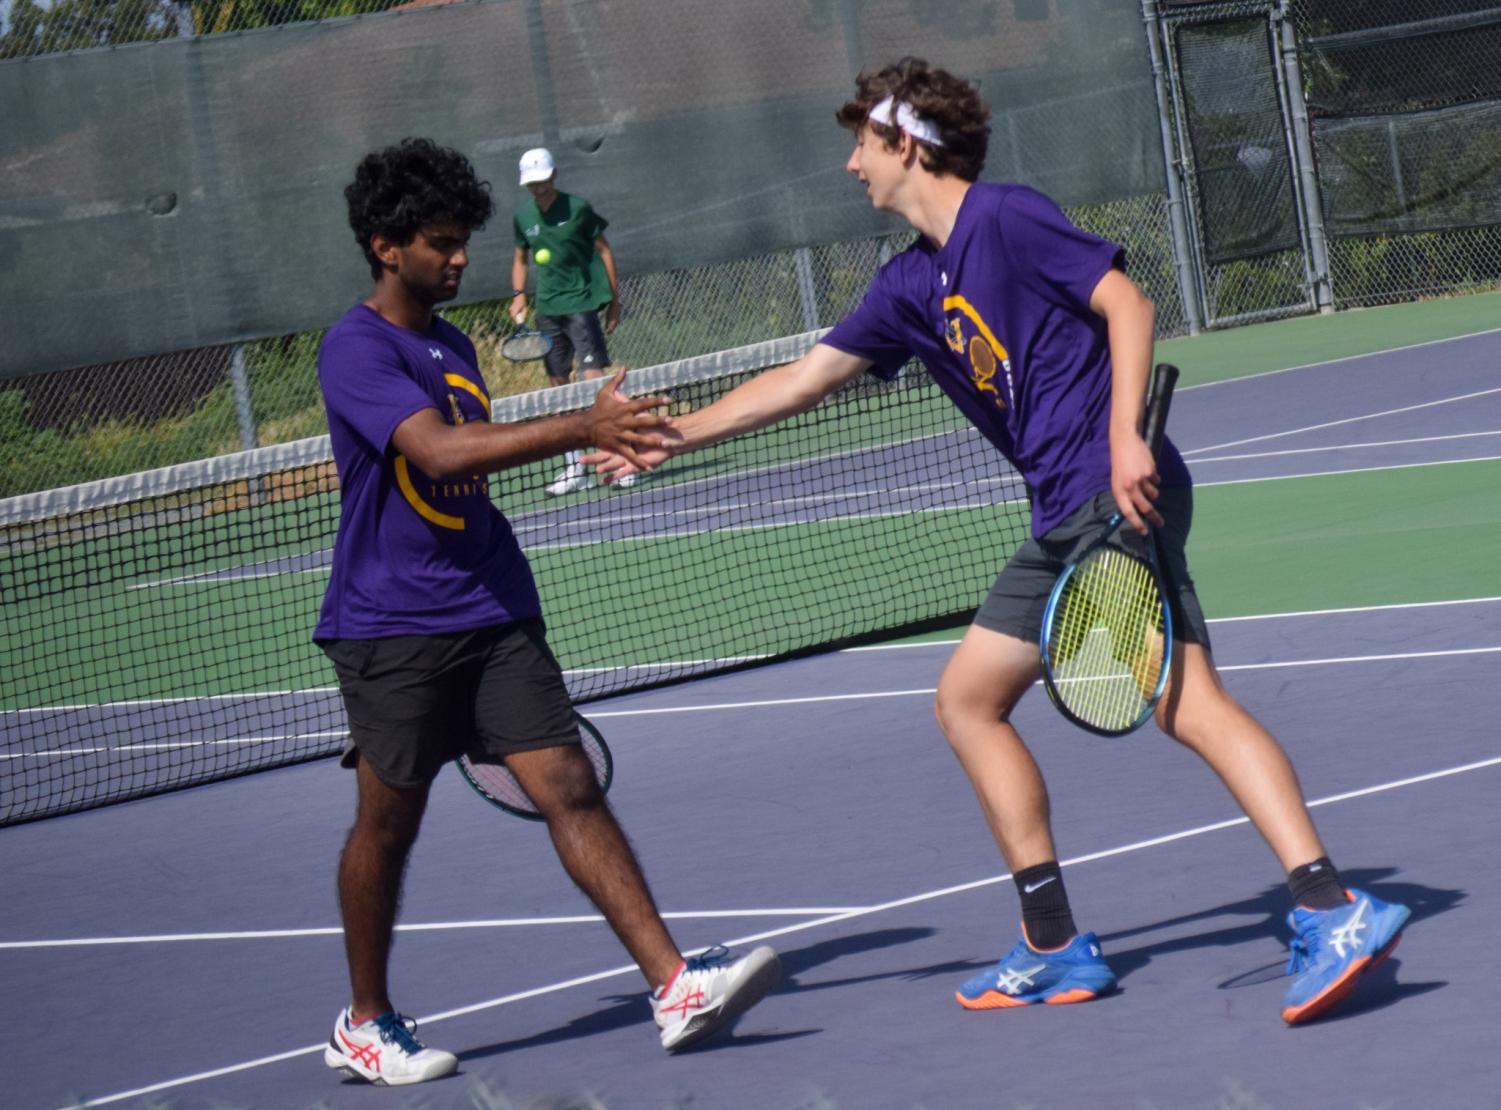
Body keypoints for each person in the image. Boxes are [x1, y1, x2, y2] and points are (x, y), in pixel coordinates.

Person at [589, 59, 1409, 1027]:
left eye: (861, 143)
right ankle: (1056, 945)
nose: (851, 165)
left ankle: (1330, 906)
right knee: (968, 701)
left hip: (1110, 498)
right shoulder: (906, 285)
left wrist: (1122, 439)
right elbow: (802, 381)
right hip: (1062, 518)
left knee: (1186, 706)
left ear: (904, 142)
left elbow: (1128, 305)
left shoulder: (1006, 219)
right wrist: (667, 438)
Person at [315, 137, 779, 1086]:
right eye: (441, 243)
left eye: (463, 243)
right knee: (388, 824)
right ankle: (365, 1021)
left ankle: (673, 985)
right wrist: (582, 424)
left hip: (491, 606)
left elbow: (468, 454)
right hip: (391, 627)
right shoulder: (356, 347)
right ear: (384, 244)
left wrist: (581, 430)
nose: (460, 260)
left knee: (566, 780)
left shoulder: (449, 342)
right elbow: (439, 456)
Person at [509, 146, 634, 495]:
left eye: (543, 180)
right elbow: (520, 259)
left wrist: (614, 302)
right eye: (532, 183)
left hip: (581, 305)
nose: (538, 188)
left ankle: (619, 460)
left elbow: (604, 250)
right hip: (547, 311)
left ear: (555, 175)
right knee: (558, 392)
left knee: (595, 388)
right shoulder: (523, 217)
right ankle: (575, 468)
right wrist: (518, 294)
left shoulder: (578, 209)